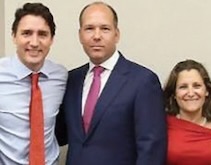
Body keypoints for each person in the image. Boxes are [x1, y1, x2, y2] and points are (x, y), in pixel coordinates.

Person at [55, 1, 167, 165]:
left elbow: (151, 149)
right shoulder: (71, 80)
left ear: (117, 34)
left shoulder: (143, 81)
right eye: (89, 28)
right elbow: (58, 134)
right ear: (80, 35)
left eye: (105, 28)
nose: (97, 36)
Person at [0, 3, 67, 165]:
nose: (34, 42)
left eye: (42, 34)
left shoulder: (61, 76)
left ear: (52, 39)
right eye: (27, 33)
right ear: (14, 36)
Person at [164, 59, 211, 165]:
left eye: (197, 86)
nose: (190, 93)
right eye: (183, 87)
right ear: (174, 94)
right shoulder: (161, 125)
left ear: (207, 91)